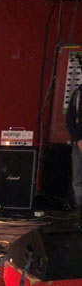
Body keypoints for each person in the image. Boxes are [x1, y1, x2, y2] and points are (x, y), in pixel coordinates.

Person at [66, 83, 82, 213]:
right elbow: (70, 119)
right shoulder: (78, 93)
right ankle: (78, 206)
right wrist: (78, 139)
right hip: (79, 142)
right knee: (77, 177)